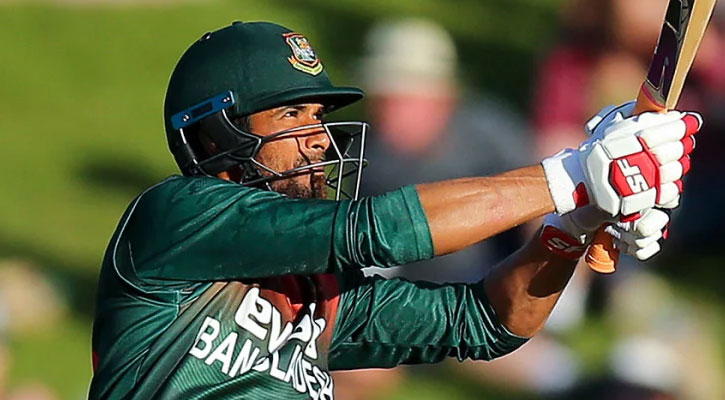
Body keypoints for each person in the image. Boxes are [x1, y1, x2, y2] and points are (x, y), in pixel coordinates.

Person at [88, 21, 702, 399]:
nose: (318, 138)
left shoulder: (318, 292)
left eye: (318, 117)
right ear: (217, 132)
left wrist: (573, 225)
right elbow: (377, 232)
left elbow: (484, 322)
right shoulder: (174, 216)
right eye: (292, 114)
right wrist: (574, 175)